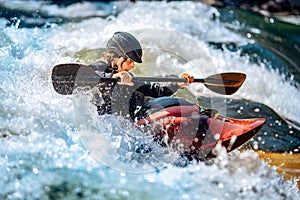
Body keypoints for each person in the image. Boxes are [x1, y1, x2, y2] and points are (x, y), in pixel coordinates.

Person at [89, 31, 194, 120]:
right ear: (118, 57)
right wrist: (112, 78)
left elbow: (153, 90)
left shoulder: (128, 77)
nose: (132, 66)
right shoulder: (99, 68)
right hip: (103, 124)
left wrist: (177, 84)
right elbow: (85, 76)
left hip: (126, 127)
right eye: (130, 61)